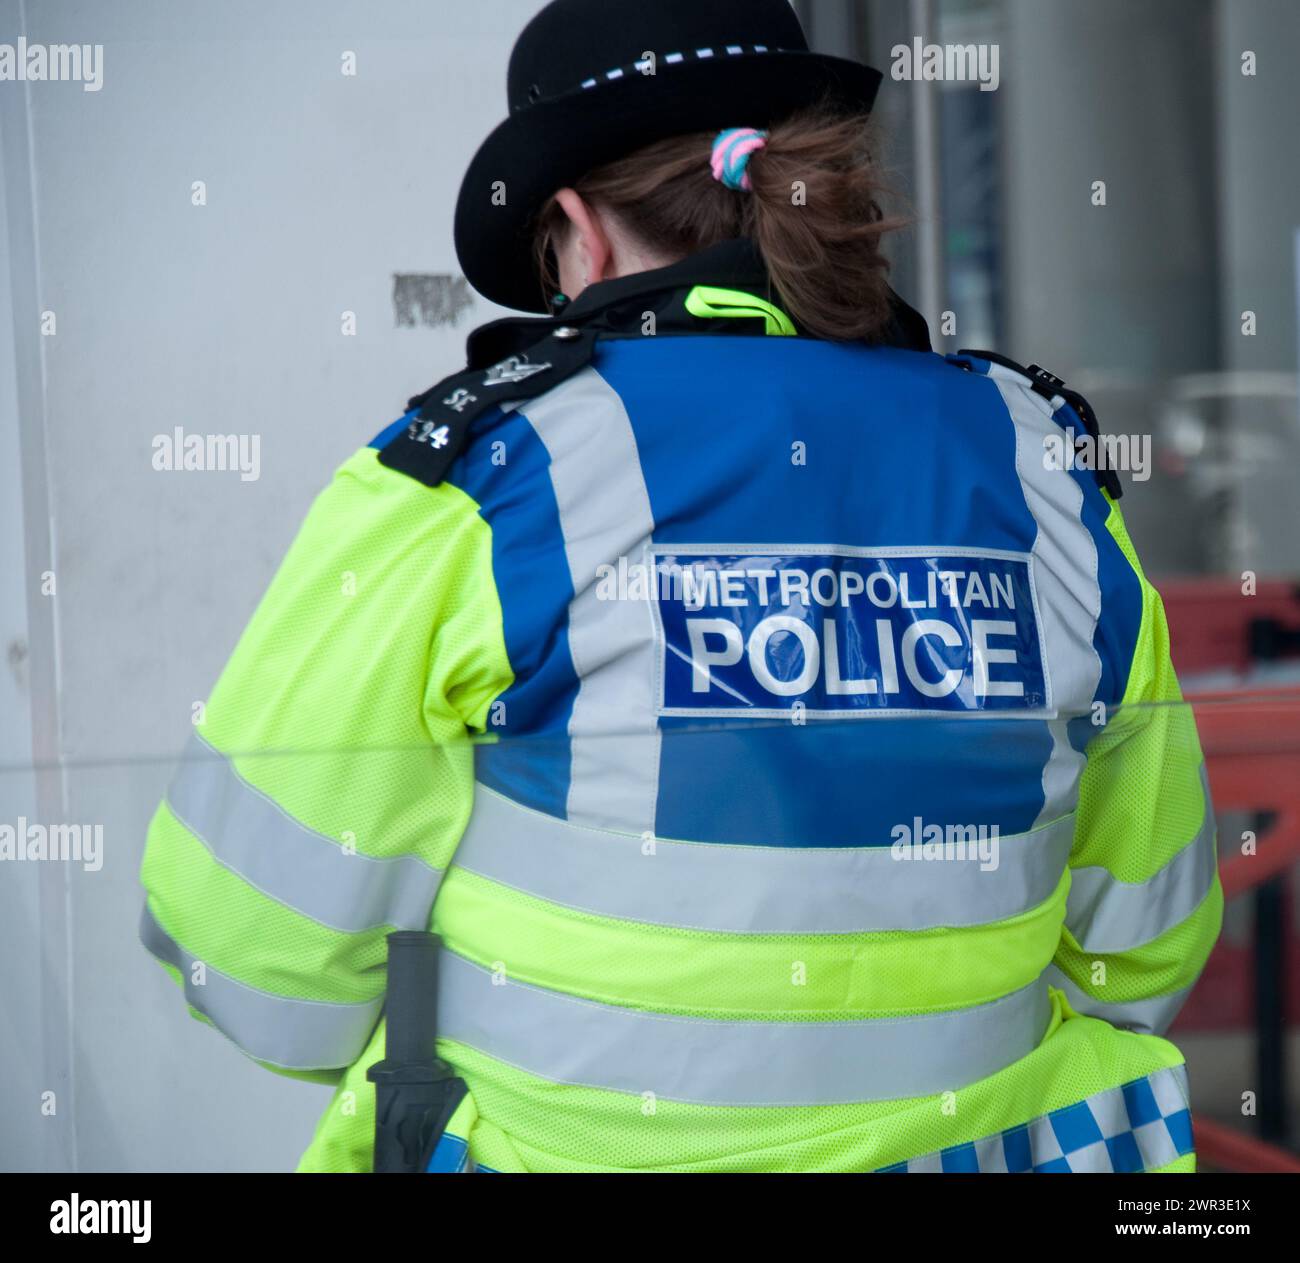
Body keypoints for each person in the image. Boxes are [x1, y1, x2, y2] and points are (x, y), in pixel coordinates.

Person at [139, 0, 1221, 1173]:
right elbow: (1143, 947)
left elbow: (253, 961)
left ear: (576, 235)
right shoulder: (1036, 463)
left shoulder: (487, 479)